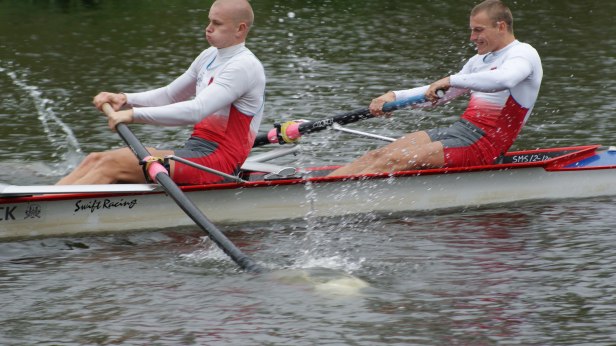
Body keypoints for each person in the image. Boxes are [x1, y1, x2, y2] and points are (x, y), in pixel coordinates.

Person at [57, 0, 265, 185]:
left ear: (240, 29)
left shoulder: (243, 66)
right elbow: (170, 95)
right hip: (196, 151)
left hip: (219, 163)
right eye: (209, 21)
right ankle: (39, 203)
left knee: (112, 165)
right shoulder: (209, 56)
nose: (208, 28)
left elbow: (196, 110)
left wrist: (133, 115)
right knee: (95, 158)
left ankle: (51, 215)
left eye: (217, 24)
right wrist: (125, 99)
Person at [328, 0, 542, 177]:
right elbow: (437, 96)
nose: (472, 38)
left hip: (484, 146)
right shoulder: (478, 61)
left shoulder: (523, 54)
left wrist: (452, 79)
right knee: (378, 155)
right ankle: (321, 190)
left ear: (501, 26)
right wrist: (393, 96)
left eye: (478, 30)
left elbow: (505, 79)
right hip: (458, 132)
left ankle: (335, 204)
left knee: (396, 160)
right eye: (471, 30)